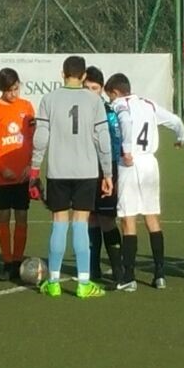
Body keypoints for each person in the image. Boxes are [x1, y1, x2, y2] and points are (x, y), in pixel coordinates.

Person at [29, 55, 114, 299]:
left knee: (59, 223)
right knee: (80, 224)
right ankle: (84, 283)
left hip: (58, 171)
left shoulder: (49, 99)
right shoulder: (94, 100)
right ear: (84, 75)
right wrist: (107, 173)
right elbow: (103, 139)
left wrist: (35, 170)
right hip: (86, 171)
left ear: (62, 73)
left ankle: (53, 282)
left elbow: (41, 137)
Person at [106, 72, 184, 291]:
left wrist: (127, 150)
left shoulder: (121, 105)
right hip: (150, 163)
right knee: (152, 218)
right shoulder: (148, 104)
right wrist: (182, 137)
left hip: (130, 164)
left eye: (110, 97)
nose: (111, 101)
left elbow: (125, 122)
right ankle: (159, 274)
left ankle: (129, 277)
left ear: (115, 92)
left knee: (128, 219)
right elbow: (175, 120)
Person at [0, 68, 35, 283]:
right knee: (3, 216)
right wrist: (2, 167)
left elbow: (33, 137)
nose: (13, 94)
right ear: (1, 89)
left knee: (22, 216)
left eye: (16, 89)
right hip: (3, 176)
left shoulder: (26, 107)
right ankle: (7, 261)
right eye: (9, 90)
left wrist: (30, 165)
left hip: (23, 175)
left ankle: (19, 259)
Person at [82, 66, 124, 288]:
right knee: (90, 216)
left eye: (94, 88)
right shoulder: (77, 111)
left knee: (107, 218)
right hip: (84, 170)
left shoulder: (110, 113)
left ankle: (118, 268)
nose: (90, 92)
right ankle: (93, 266)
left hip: (107, 170)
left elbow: (116, 143)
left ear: (101, 90)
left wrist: (113, 173)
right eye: (86, 87)